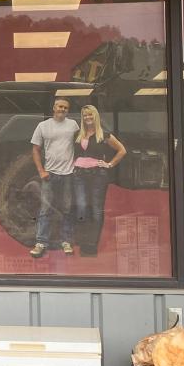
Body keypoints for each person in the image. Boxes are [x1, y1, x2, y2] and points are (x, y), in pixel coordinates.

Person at [28, 97, 80, 258]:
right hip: (49, 174)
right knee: (45, 209)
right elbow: (35, 150)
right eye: (60, 106)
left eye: (65, 107)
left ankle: (65, 242)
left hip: (68, 174)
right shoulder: (43, 126)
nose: (62, 109)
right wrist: (41, 171)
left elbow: (81, 146)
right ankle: (41, 243)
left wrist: (79, 165)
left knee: (66, 209)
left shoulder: (73, 125)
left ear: (68, 110)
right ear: (54, 108)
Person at [72, 104, 126, 257]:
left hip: (98, 175)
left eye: (90, 115)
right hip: (79, 174)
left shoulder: (104, 134)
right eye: (85, 115)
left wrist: (109, 164)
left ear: (95, 116)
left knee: (96, 210)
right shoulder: (77, 134)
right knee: (81, 208)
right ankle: (83, 243)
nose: (87, 118)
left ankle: (91, 246)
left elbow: (122, 150)